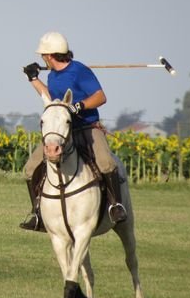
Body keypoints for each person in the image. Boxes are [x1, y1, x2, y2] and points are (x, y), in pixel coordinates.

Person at [20, 31, 127, 231]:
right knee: (30, 169)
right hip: (62, 132)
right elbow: (51, 99)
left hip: (86, 127)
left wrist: (79, 106)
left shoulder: (80, 71)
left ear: (50, 56)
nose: (42, 59)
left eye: (43, 55)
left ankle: (116, 206)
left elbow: (100, 97)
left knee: (106, 163)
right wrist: (33, 78)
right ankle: (37, 214)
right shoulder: (52, 75)